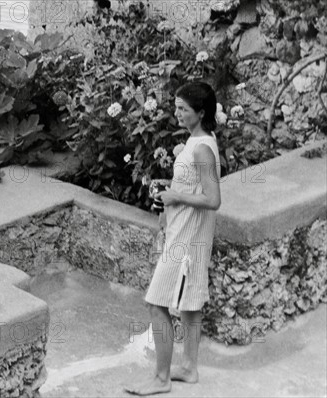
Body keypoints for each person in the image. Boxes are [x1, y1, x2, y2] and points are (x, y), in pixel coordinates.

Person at [125, 82, 222, 396]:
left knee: (156, 303)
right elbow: (195, 185)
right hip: (188, 233)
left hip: (187, 238)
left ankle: (162, 378)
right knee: (191, 303)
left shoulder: (203, 147)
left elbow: (213, 198)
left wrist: (175, 195)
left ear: (201, 113)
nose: (177, 114)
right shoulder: (200, 141)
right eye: (177, 107)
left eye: (184, 109)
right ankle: (189, 368)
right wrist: (170, 192)